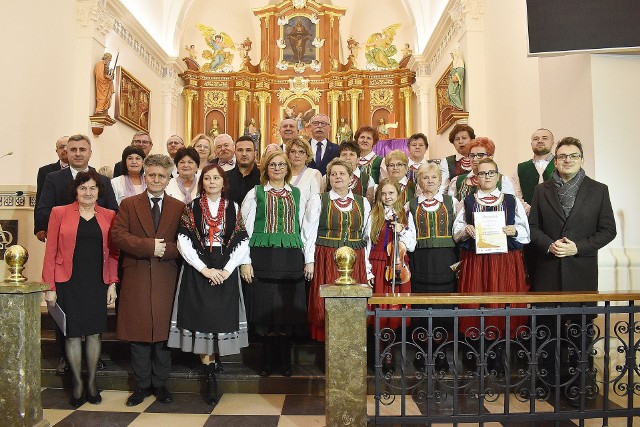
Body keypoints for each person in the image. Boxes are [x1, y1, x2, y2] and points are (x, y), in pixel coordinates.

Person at [528, 137, 616, 393]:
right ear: (556, 160)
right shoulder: (542, 190)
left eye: (573, 156)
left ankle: (581, 383)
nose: (567, 160)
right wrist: (549, 244)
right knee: (546, 332)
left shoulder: (599, 190)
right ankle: (546, 383)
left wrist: (578, 247)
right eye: (563, 156)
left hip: (582, 271)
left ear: (581, 159)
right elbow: (533, 227)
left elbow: (608, 230)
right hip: (548, 269)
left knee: (581, 332)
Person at [168, 163, 249, 406]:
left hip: (225, 267)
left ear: (224, 183)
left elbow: (243, 240)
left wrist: (226, 269)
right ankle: (209, 374)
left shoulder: (233, 207)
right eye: (207, 178)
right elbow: (183, 240)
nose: (212, 182)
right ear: (201, 182)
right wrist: (204, 269)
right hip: (198, 269)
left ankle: (216, 362)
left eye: (216, 178)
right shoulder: (191, 208)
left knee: (220, 317)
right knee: (202, 318)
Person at [111, 154, 185, 407]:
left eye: (161, 176)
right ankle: (142, 386)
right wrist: (148, 246)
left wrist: (168, 250)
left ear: (168, 178)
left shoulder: (179, 207)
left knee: (163, 335)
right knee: (139, 334)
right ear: (145, 176)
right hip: (137, 274)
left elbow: (185, 243)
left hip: (166, 275)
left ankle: (161, 385)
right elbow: (117, 236)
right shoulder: (129, 204)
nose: (156, 179)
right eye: (151, 175)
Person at [42, 170, 118, 407]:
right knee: (73, 333)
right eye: (83, 188)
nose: (88, 192)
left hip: (97, 281)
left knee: (95, 333)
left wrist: (112, 283)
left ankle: (92, 382)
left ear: (99, 191)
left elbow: (114, 253)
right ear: (76, 190)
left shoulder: (109, 215)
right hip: (68, 281)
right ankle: (77, 384)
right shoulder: (59, 213)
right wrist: (49, 286)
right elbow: (50, 251)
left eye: (93, 188)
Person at [238, 150, 313, 377]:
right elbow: (243, 229)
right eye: (273, 165)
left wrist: (308, 260)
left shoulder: (298, 194)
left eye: (282, 165)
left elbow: (306, 228)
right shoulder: (256, 193)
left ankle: (285, 362)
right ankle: (267, 362)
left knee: (287, 313)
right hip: (262, 258)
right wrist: (245, 261)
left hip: (291, 259)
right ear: (266, 169)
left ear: (288, 169)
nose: (277, 168)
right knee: (266, 313)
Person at [453, 158, 530, 373]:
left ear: (498, 176)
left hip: (505, 262)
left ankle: (500, 358)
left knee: (501, 305)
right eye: (482, 173)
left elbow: (525, 234)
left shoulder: (511, 200)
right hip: (477, 262)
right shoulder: (468, 201)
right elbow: (456, 232)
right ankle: (476, 360)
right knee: (477, 306)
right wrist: (465, 230)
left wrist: (514, 231)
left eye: (491, 173)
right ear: (475, 177)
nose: (486, 177)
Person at [306, 158, 372, 342]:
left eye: (342, 173)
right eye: (333, 174)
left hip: (355, 260)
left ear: (351, 178)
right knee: (326, 305)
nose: (337, 177)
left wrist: (367, 268)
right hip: (326, 257)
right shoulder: (318, 200)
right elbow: (308, 233)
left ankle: (351, 345)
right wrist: (309, 261)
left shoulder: (363, 202)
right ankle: (327, 348)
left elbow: (367, 238)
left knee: (353, 304)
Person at [408, 163, 458, 372]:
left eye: (433, 178)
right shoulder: (410, 205)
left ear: (440, 181)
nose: (429, 181)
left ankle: (441, 355)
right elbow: (408, 235)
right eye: (425, 178)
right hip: (419, 258)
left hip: (445, 260)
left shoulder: (452, 202)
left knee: (443, 309)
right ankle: (422, 353)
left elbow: (459, 230)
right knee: (421, 308)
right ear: (418, 181)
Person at [448, 137, 515, 202]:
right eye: (472, 155)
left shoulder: (502, 180)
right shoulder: (457, 181)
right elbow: (452, 208)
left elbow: (510, 205)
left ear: (490, 157)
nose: (475, 159)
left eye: (480, 155)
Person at [513, 128, 556, 214]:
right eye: (536, 139)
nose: (540, 141)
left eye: (545, 138)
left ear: (552, 143)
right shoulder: (521, 168)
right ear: (531, 144)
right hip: (529, 219)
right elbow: (516, 195)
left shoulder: (561, 165)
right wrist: (530, 211)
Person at [35, 136, 69, 231]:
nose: (65, 150)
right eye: (61, 147)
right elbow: (40, 200)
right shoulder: (45, 171)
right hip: (53, 222)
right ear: (57, 151)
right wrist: (39, 228)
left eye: (68, 146)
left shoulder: (84, 171)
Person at [287, 137, 323, 206]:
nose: (296, 155)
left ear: (307, 155)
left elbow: (315, 205)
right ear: (288, 155)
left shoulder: (313, 174)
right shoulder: (282, 174)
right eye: (293, 151)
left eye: (301, 152)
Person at [440, 123, 475, 194]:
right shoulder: (447, 162)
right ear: (453, 143)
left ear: (472, 140)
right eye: (457, 139)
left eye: (464, 138)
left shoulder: (480, 158)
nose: (460, 142)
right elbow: (443, 189)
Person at [226, 136, 260, 206]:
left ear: (255, 153)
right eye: (240, 150)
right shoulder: (225, 177)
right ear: (235, 153)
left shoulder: (263, 178)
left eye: (248, 150)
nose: (244, 154)